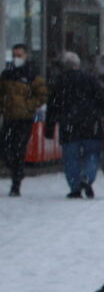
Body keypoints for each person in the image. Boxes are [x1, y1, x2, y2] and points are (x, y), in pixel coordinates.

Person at [45, 51, 104, 199]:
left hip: (69, 126)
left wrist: (49, 128)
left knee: (71, 158)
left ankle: (75, 187)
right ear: (78, 64)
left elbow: (52, 106)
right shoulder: (91, 79)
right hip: (91, 125)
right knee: (92, 154)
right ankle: (87, 177)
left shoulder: (60, 82)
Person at [0, 44, 50, 196]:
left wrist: (28, 105)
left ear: (26, 55)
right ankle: (16, 172)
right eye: (14, 55)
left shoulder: (32, 75)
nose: (16, 58)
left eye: (19, 55)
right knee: (6, 149)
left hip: (24, 119)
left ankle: (16, 183)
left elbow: (42, 95)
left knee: (18, 150)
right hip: (9, 118)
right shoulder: (7, 74)